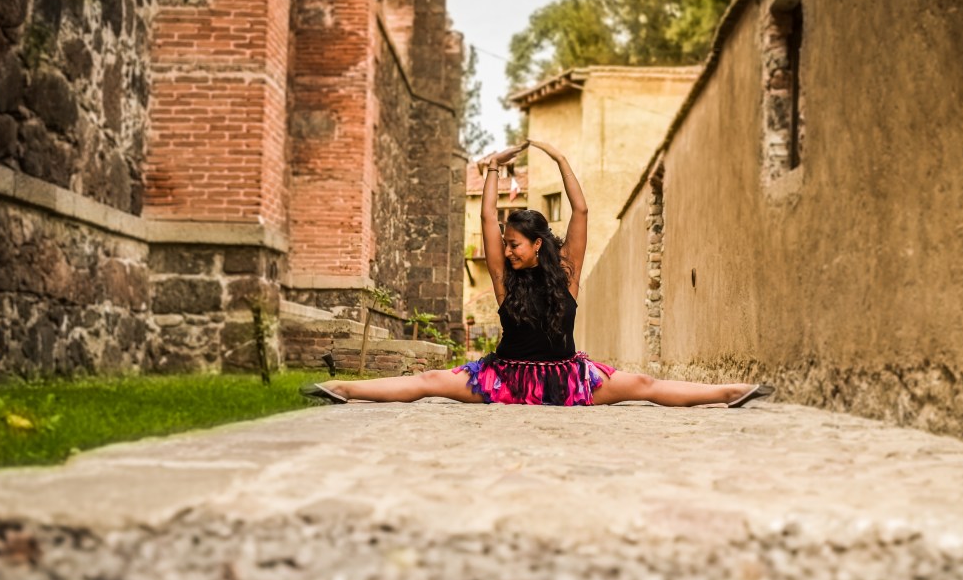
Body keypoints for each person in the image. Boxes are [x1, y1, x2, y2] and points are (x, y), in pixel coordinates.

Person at [300, 141, 774, 408]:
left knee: (644, 387)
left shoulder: (566, 273)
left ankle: (730, 392)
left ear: (538, 244)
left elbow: (581, 210)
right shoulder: (504, 280)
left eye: (514, 244)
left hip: (568, 377)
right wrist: (492, 169)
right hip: (502, 377)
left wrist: (561, 162)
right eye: (505, 244)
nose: (506, 250)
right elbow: (487, 218)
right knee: (428, 380)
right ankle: (341, 388)